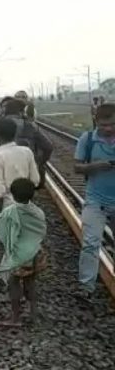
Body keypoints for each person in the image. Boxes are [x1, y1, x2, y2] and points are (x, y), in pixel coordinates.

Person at [74, 103, 115, 302]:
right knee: (90, 243)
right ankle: (86, 287)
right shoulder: (87, 139)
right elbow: (77, 167)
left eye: (113, 124)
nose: (108, 129)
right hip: (95, 200)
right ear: (96, 122)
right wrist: (95, 166)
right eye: (104, 125)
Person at [0, 178, 47, 327]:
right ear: (32, 195)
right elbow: (42, 231)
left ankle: (15, 318)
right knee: (30, 282)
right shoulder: (38, 212)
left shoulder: (10, 212)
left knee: (13, 282)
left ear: (13, 194)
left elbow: (4, 235)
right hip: (36, 253)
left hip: (19, 255)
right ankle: (34, 314)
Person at [0, 99, 52, 189]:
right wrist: (39, 163)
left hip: (4, 169)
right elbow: (48, 147)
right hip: (26, 172)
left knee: (2, 196)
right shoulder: (30, 125)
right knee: (25, 197)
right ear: (21, 112)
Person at [0, 118, 41, 215]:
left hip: (8, 209)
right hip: (27, 206)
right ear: (15, 133)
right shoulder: (27, 151)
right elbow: (35, 180)